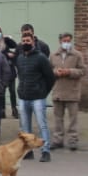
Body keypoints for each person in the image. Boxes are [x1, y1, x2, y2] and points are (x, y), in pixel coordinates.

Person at [15, 33, 56, 162]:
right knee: (25, 127)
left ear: (33, 42)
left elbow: (50, 77)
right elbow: (20, 76)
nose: (25, 43)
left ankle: (45, 151)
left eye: (28, 40)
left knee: (42, 125)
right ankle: (28, 151)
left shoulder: (41, 58)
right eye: (23, 41)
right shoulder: (20, 58)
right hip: (23, 97)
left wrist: (44, 92)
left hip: (38, 97)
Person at [50, 32, 87, 152]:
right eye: (64, 40)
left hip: (72, 92)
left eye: (68, 40)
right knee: (58, 118)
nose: (67, 43)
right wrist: (56, 72)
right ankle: (57, 140)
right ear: (60, 41)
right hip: (58, 91)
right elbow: (48, 71)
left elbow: (83, 71)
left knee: (73, 119)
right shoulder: (53, 55)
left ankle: (73, 140)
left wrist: (69, 72)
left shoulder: (77, 55)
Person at [0, 26, 19, 119]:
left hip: (10, 70)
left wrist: (7, 38)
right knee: (1, 92)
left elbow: (15, 46)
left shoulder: (4, 41)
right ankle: (2, 110)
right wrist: (7, 54)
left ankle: (14, 109)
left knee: (12, 91)